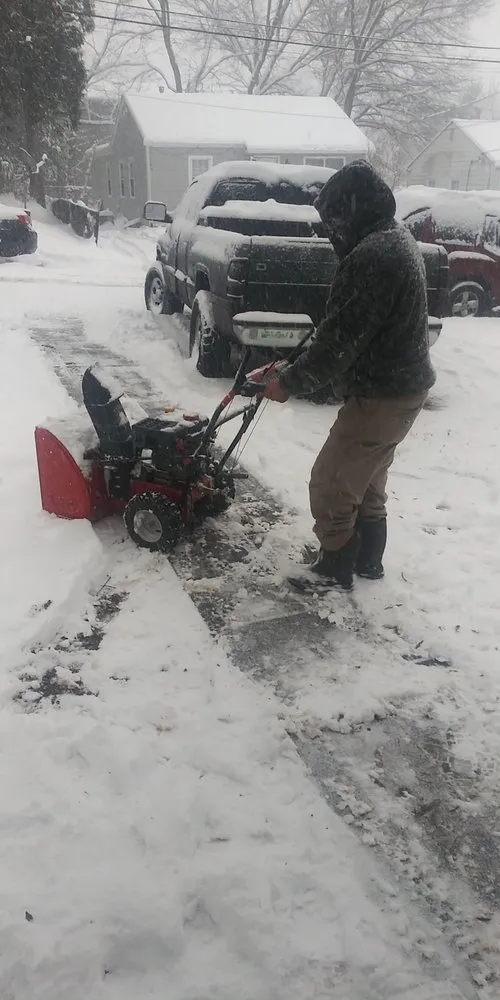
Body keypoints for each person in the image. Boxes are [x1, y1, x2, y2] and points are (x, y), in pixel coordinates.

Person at [259, 160, 435, 591]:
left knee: (332, 483)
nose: (330, 232)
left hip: (382, 396)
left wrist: (287, 383)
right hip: (401, 390)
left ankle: (335, 569)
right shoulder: (394, 239)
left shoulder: (374, 256)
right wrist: (288, 365)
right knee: (367, 480)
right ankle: (368, 561)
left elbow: (336, 346)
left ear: (350, 211)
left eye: (333, 221)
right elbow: (348, 326)